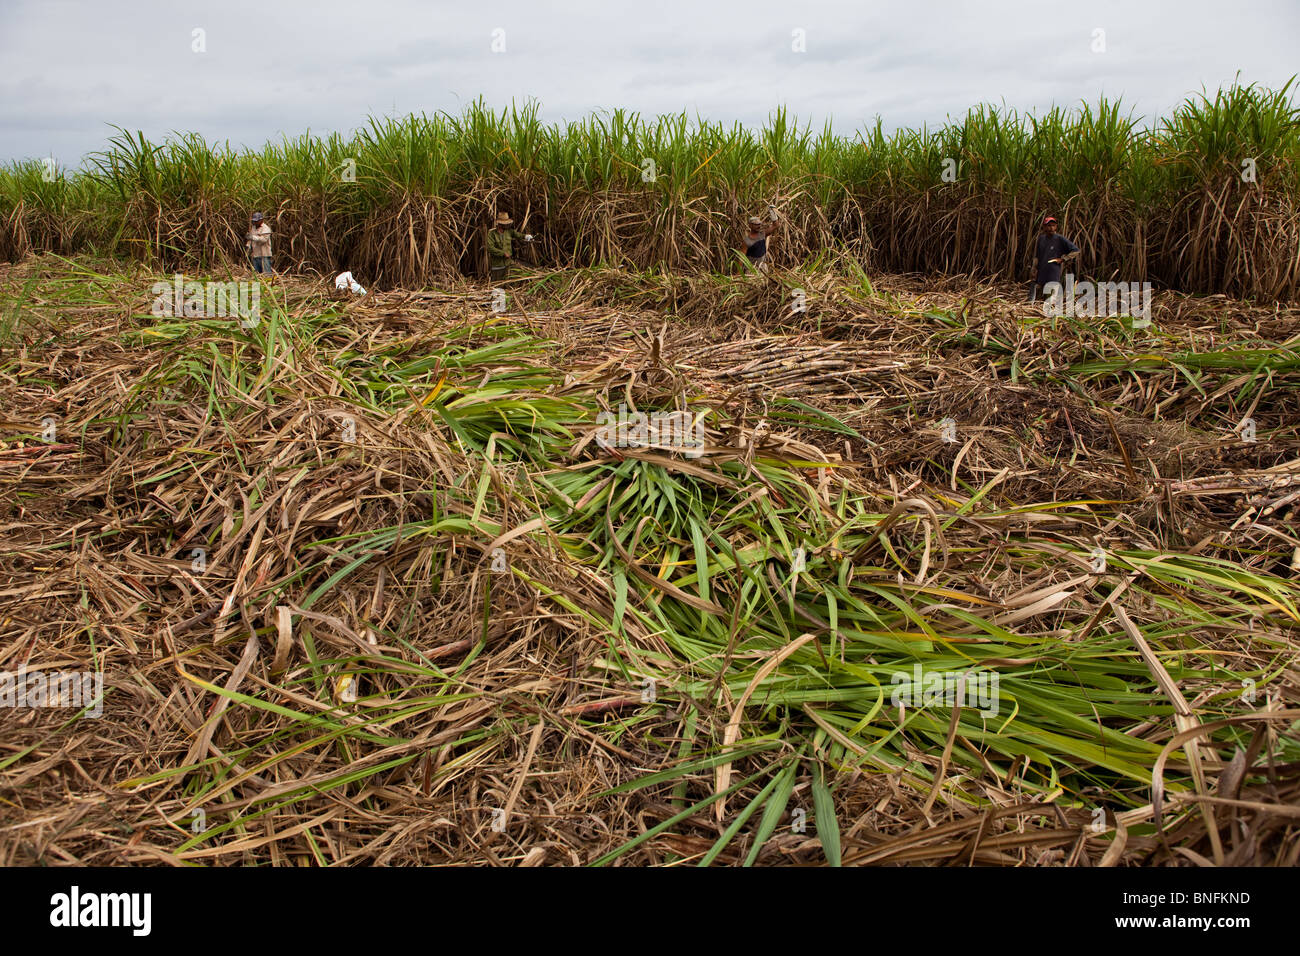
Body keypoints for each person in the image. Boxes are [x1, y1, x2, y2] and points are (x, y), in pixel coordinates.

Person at [1027, 215, 1078, 302]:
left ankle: (1049, 311)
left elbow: (1075, 250)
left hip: (1053, 270)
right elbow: (1037, 255)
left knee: (1051, 293)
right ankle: (1031, 306)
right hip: (1041, 269)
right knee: (1034, 287)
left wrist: (1063, 259)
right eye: (1049, 225)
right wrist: (1034, 268)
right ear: (1044, 227)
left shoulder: (1060, 239)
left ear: (1056, 227)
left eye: (1053, 225)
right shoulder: (1041, 239)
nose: (1051, 228)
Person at [485, 212, 533, 281]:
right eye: (505, 224)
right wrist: (503, 253)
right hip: (498, 265)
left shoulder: (509, 232)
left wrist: (526, 236)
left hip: (508, 263)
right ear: (500, 224)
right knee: (498, 284)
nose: (507, 225)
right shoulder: (492, 234)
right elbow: (490, 248)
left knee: (514, 277)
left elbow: (518, 235)